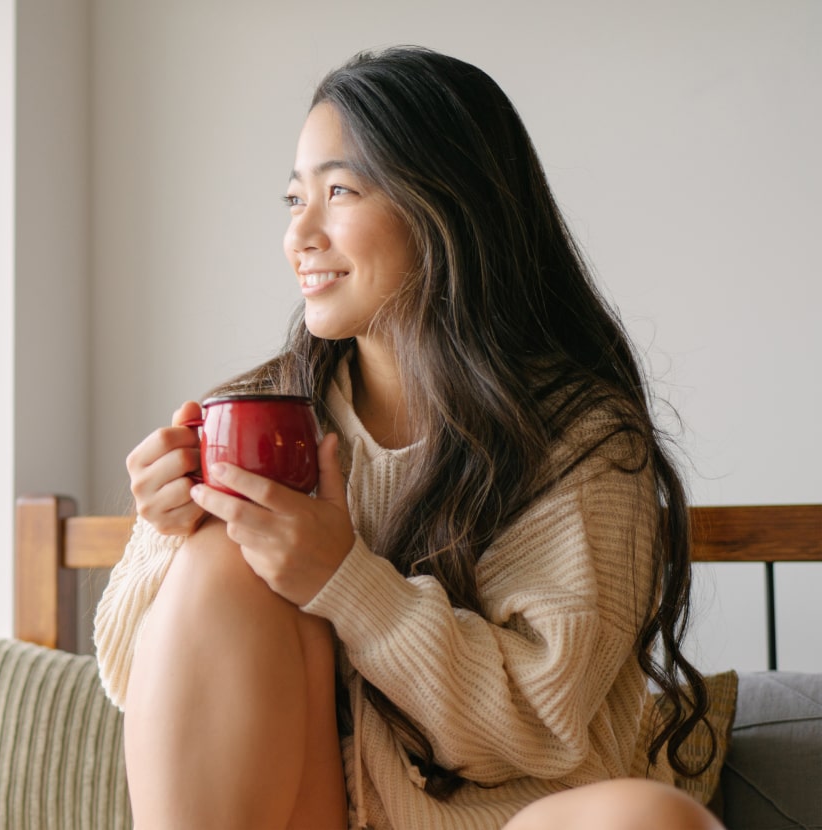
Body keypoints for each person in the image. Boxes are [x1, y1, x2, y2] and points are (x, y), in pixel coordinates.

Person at [93, 46, 725, 830]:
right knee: (226, 555)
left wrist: (345, 579)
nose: (302, 234)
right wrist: (165, 533)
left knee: (649, 821)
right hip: (320, 805)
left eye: (339, 191)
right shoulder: (260, 415)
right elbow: (135, 680)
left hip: (519, 814)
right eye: (294, 200)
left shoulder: (580, 440)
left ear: (448, 207)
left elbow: (540, 726)